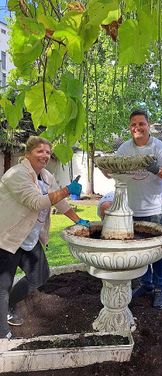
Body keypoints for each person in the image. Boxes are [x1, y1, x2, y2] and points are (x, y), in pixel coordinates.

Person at [0, 136, 90, 340]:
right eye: (40, 151)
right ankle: (2, 333)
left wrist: (78, 219)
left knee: (39, 276)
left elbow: (59, 202)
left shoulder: (46, 176)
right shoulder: (17, 174)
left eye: (48, 152)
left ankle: (9, 306)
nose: (45, 155)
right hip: (8, 237)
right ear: (28, 153)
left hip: (30, 238)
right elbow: (36, 202)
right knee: (2, 286)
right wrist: (67, 190)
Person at [116, 109, 162, 309]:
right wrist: (106, 168)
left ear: (148, 125)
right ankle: (146, 284)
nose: (137, 128)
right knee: (138, 250)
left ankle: (160, 288)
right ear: (129, 127)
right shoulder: (124, 148)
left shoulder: (158, 147)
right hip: (132, 208)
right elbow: (116, 173)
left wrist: (155, 169)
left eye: (141, 123)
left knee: (157, 251)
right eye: (133, 124)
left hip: (156, 209)